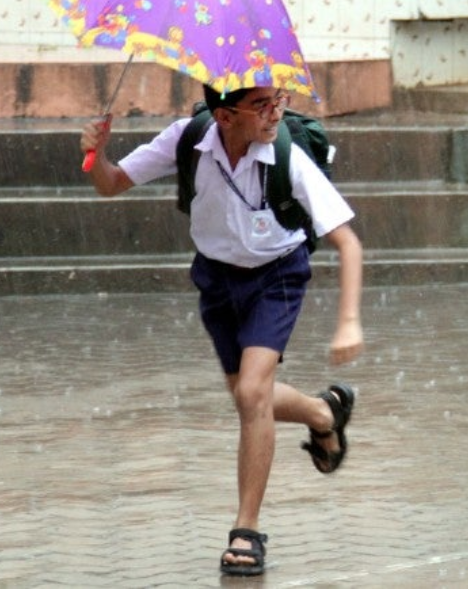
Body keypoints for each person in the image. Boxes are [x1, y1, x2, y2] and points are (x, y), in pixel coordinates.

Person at [80, 84, 365, 576]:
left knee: (253, 393)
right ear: (225, 116)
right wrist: (96, 152)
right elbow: (111, 184)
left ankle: (246, 531)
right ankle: (324, 412)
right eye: (261, 106)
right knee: (247, 396)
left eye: (278, 100)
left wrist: (348, 322)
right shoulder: (187, 139)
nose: (275, 112)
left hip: (277, 275)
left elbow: (348, 242)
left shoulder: (287, 157)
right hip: (216, 278)